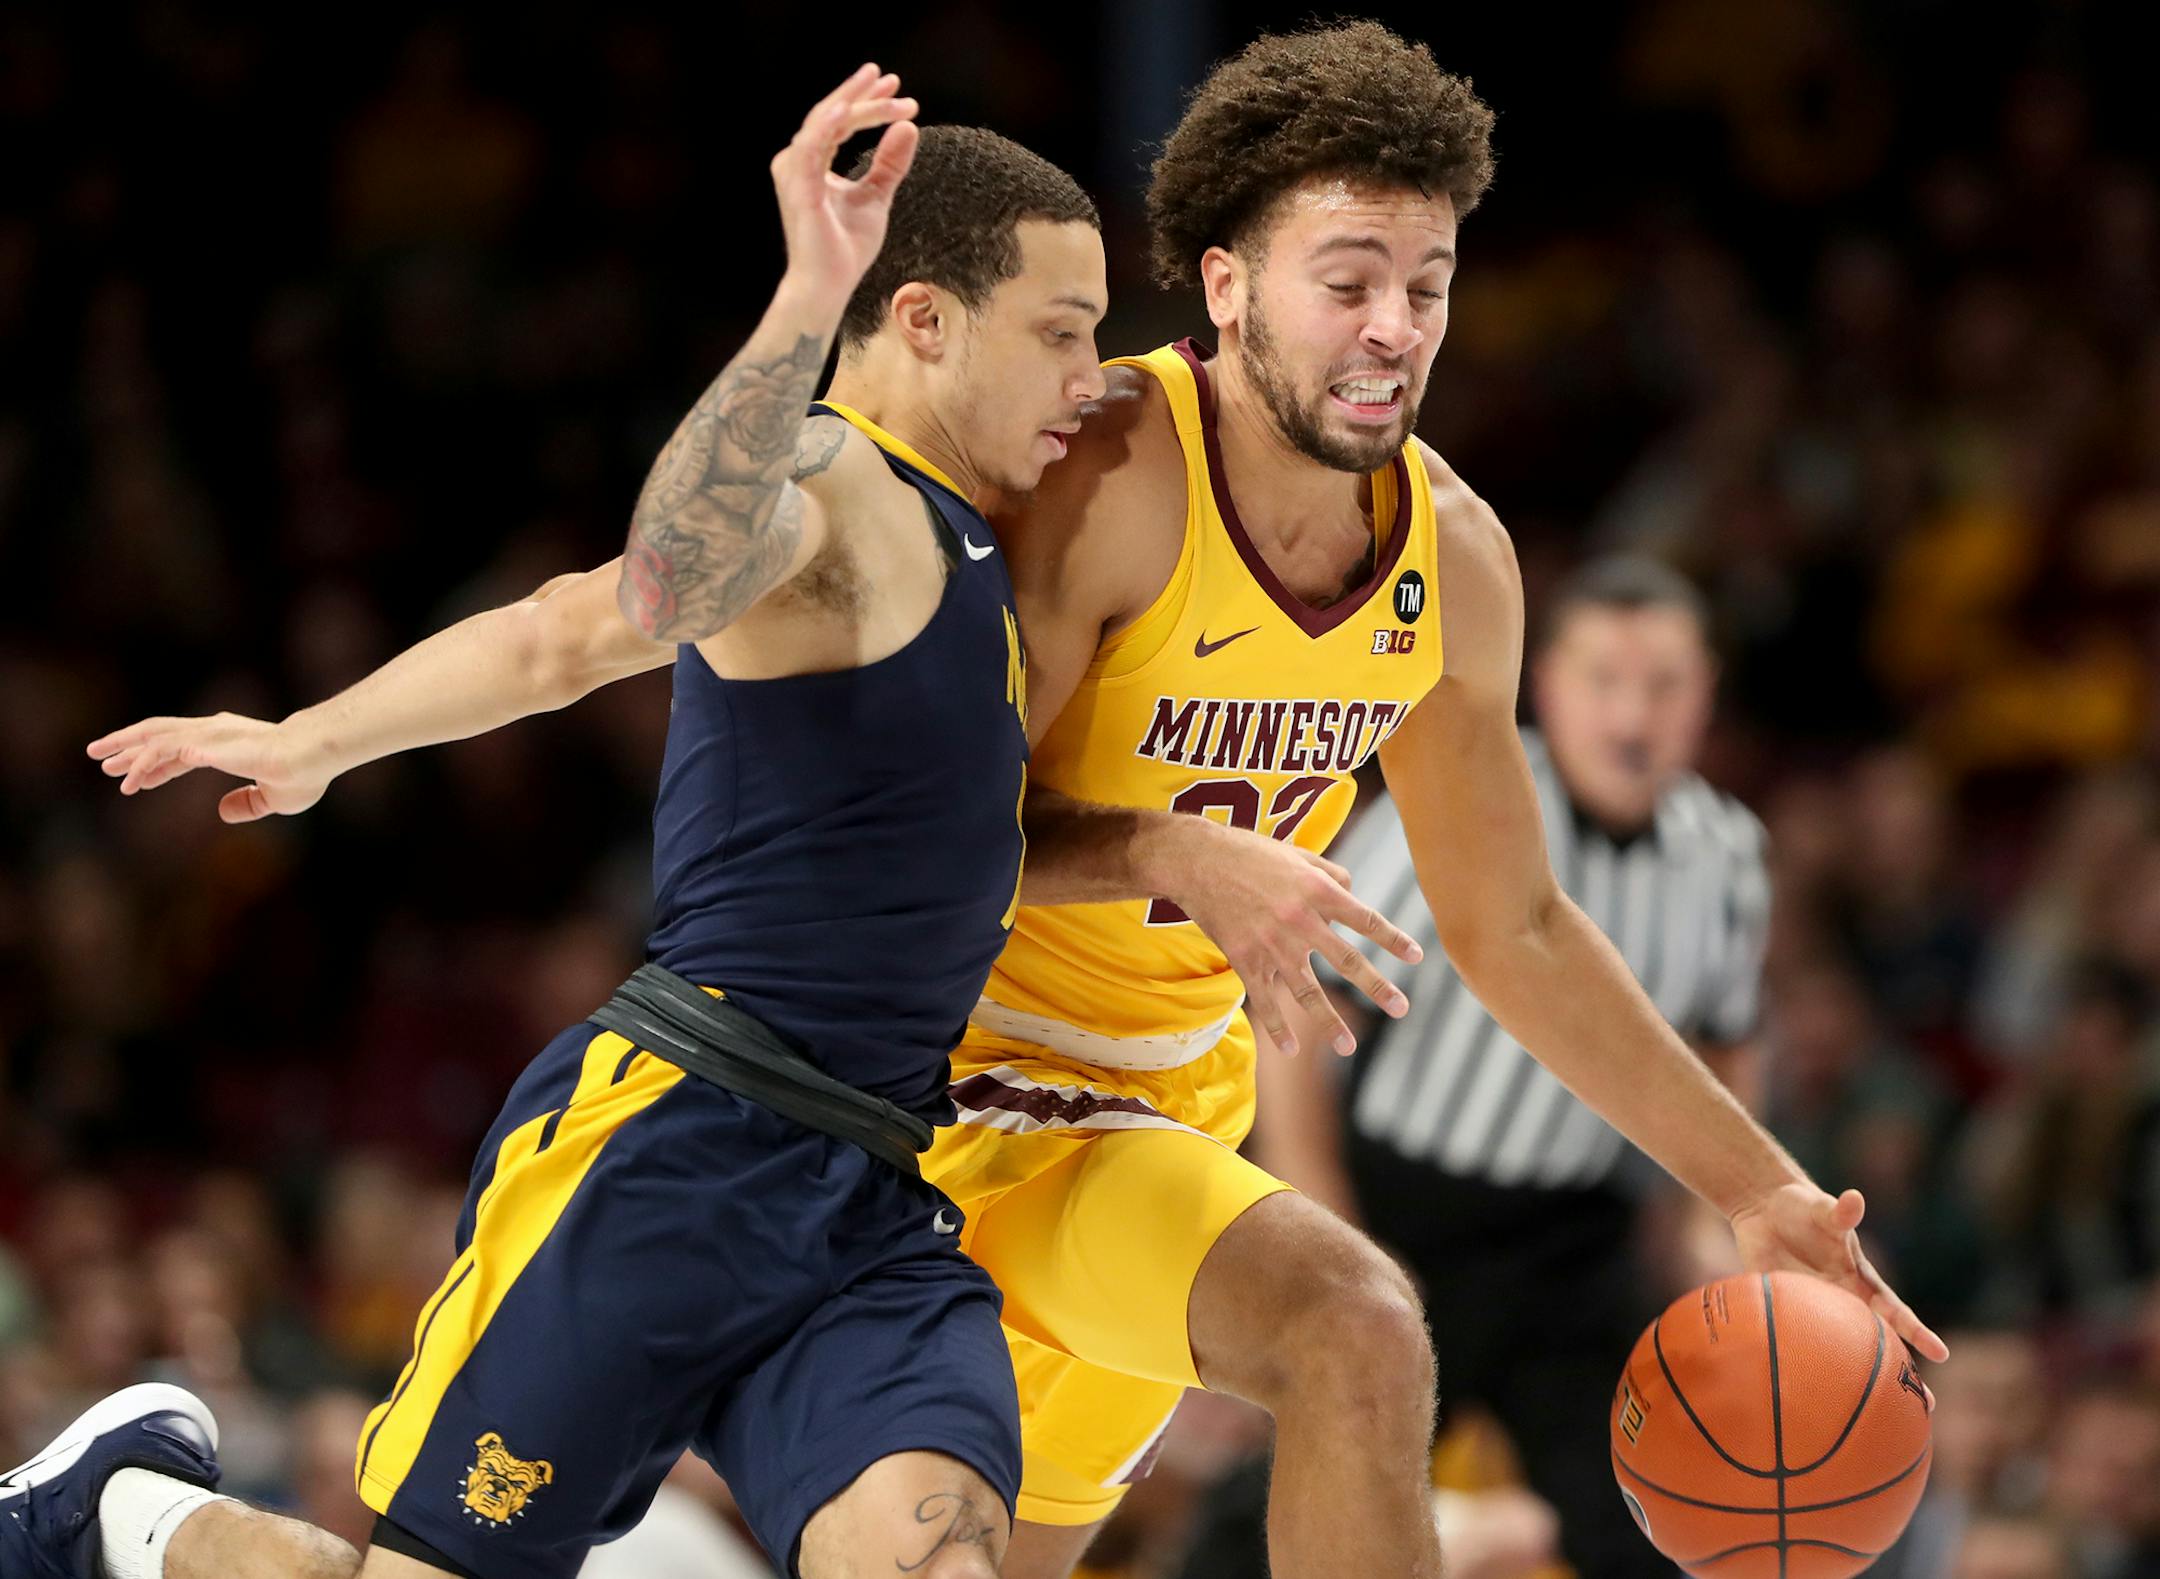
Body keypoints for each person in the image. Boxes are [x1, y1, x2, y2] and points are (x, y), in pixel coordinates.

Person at [87, 24, 1944, 1579]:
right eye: (1350, 281)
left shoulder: (1456, 559)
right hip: (937, 1108)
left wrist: (1761, 1186)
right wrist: (1166, 847)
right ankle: (136, 1513)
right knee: (1358, 1321)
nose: (1395, 326)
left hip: (1146, 1122)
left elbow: (1515, 926)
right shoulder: (1091, 471)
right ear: (1228, 287)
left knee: (1318, 1351)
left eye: (1430, 287)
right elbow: (894, 798)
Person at [32, 65, 1116, 1579]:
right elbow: (660, 582)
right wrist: (808, 294)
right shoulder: (833, 487)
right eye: (1062, 332)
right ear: (924, 319)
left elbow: (562, 628)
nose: (1091, 374)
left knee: (936, 1556)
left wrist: (315, 737)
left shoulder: (966, 538)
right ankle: (133, 1509)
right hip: (680, 1149)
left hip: (868, 1182)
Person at [1212, 554, 1771, 1577]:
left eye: (1663, 684)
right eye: (1604, 680)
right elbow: (1299, 1001)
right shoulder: (1459, 798)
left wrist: (1712, 1215)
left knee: (1652, 1508)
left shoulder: (1729, 851)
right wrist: (1320, 1207)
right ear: (1545, 683)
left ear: (1707, 694)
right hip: (1404, 1204)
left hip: (1575, 1233)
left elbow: (1728, 1039)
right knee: (1306, 1476)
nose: (1632, 715)